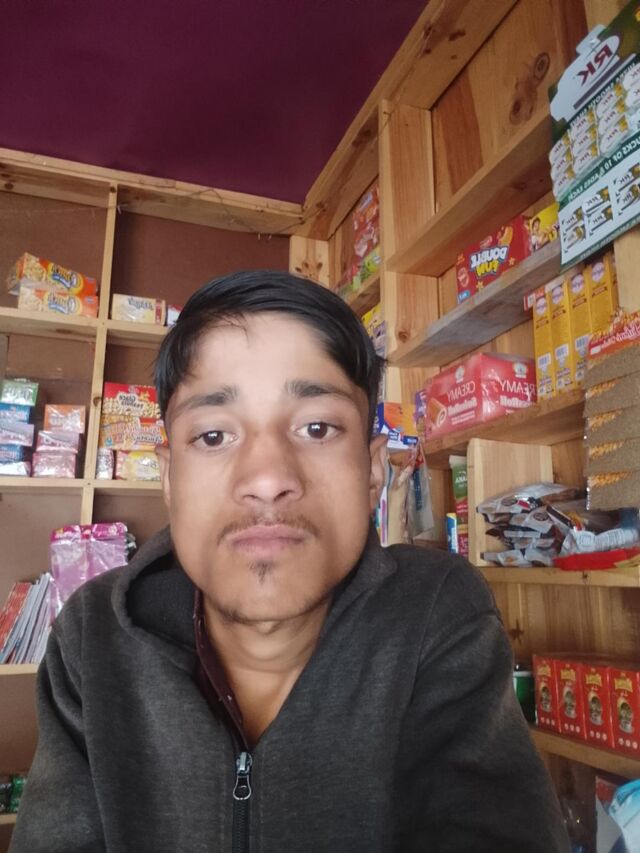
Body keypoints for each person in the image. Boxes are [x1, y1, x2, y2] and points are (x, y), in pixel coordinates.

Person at [11, 271, 570, 852]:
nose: (267, 478)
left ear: (373, 470)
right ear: (170, 477)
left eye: (317, 427)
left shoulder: (437, 613)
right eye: (213, 437)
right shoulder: (92, 637)